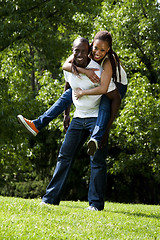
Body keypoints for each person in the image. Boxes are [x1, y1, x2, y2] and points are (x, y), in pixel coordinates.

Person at [17, 31, 127, 156]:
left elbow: (104, 89)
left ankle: (98, 136)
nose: (98, 53)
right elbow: (65, 66)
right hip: (99, 83)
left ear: (107, 50)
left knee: (104, 103)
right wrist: (85, 72)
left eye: (102, 50)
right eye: (96, 48)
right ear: (91, 45)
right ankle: (37, 124)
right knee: (69, 93)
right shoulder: (84, 51)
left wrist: (107, 130)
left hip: (117, 86)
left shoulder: (107, 62)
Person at [40, 37, 108, 211]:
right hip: (78, 118)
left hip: (95, 117)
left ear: (89, 51)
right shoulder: (70, 67)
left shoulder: (98, 70)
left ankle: (95, 205)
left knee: (97, 160)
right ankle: (49, 199)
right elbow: (68, 87)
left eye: (83, 51)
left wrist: (106, 123)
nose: (79, 54)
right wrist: (66, 114)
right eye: (76, 51)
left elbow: (108, 92)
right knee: (64, 156)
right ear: (72, 50)